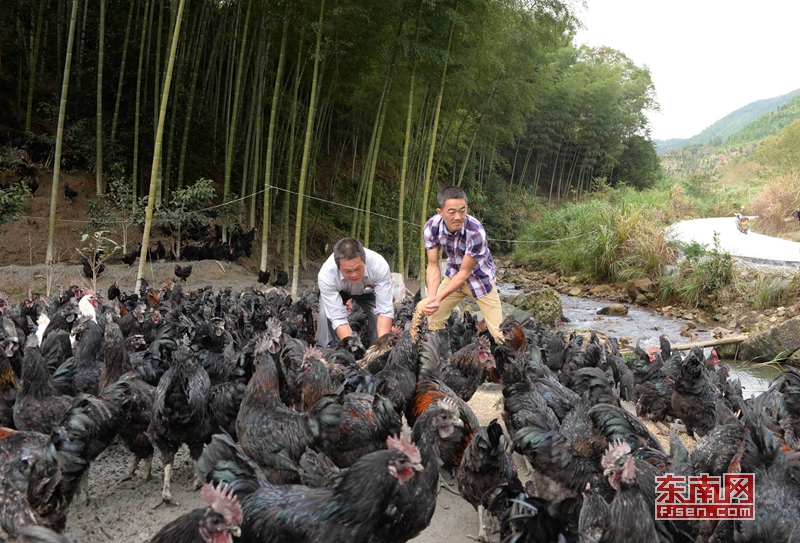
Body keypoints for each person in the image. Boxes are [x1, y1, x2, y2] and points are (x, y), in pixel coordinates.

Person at [421, 185, 504, 344]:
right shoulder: (431, 227)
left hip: (480, 279)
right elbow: (433, 265)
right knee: (433, 319)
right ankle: (438, 358)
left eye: (462, 210)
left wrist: (439, 297)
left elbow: (465, 273)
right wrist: (432, 298)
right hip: (453, 275)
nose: (458, 217)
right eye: (452, 212)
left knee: (499, 333)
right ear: (440, 212)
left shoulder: (476, 231)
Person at [316, 237, 394, 348]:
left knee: (377, 317)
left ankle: (376, 352)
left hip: (367, 290)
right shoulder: (327, 275)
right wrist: (353, 349)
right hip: (340, 291)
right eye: (347, 271)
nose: (354, 275)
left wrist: (382, 348)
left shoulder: (379, 265)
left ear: (364, 260)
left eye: (358, 269)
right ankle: (326, 350)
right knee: (324, 314)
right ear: (338, 267)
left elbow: (385, 311)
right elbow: (338, 318)